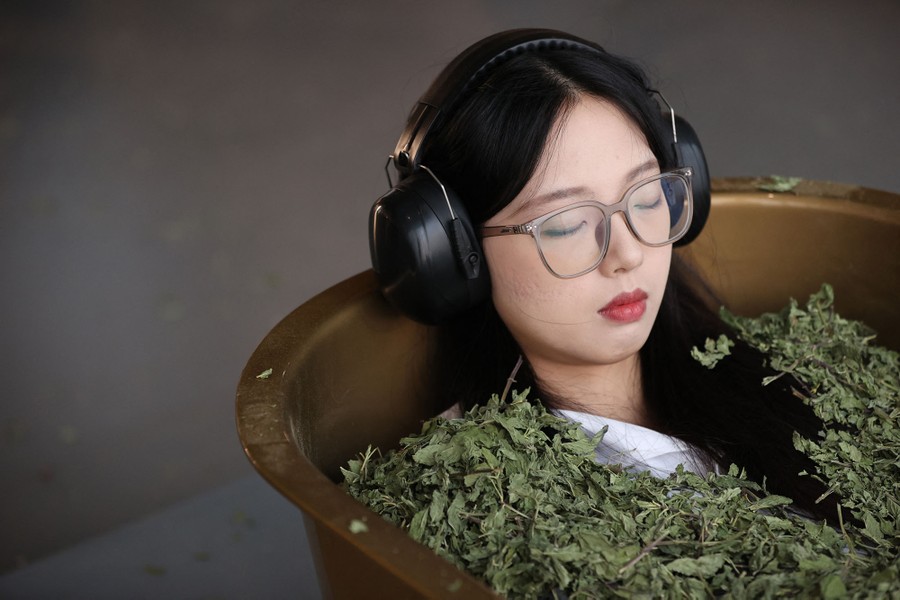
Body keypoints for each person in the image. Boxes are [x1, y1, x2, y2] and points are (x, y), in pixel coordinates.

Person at [372, 30, 838, 522]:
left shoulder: (793, 368)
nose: (628, 253)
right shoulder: (469, 503)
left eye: (647, 197)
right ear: (454, 253)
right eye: (568, 223)